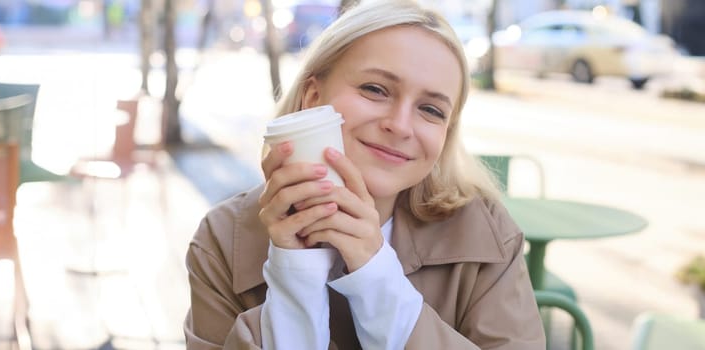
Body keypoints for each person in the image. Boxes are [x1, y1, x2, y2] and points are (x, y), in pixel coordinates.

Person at [183, 0, 545, 348]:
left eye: (431, 110)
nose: (400, 125)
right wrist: (297, 274)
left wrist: (376, 275)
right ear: (313, 97)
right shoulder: (222, 239)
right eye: (375, 89)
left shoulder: (486, 234)